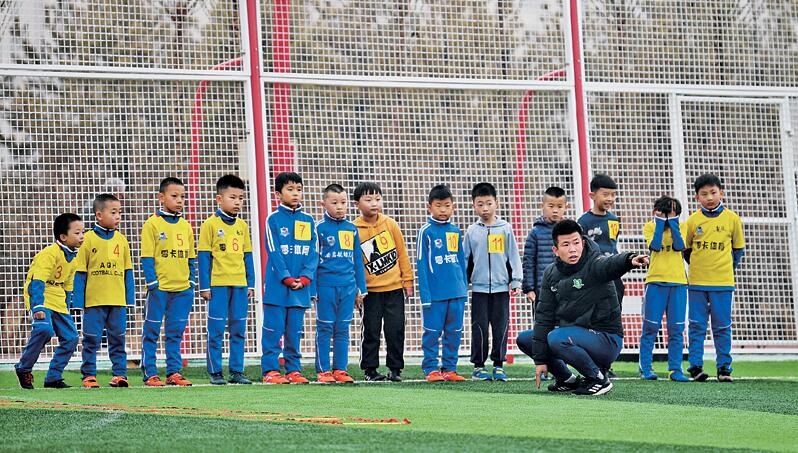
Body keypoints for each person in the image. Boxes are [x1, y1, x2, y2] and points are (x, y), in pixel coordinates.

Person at [515, 220, 648, 396]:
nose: (572, 249)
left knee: (557, 338)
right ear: (555, 250)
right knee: (526, 339)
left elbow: (610, 264)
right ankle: (566, 379)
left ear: (583, 243)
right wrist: (540, 360)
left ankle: (598, 379)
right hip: (575, 334)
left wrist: (629, 260)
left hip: (606, 339)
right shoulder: (550, 274)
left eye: (576, 242)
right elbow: (544, 317)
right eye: (566, 245)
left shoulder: (594, 263)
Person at [684, 173, 745, 383]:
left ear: (722, 193)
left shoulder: (732, 219)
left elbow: (738, 250)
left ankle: (724, 368)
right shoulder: (693, 221)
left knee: (722, 326)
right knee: (696, 326)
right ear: (697, 197)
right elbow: (687, 250)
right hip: (697, 284)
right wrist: (700, 267)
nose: (709, 197)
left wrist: (724, 269)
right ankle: (695, 367)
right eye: (704, 194)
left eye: (713, 192)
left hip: (723, 283)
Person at [14, 213, 84, 389]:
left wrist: (66, 306)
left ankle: (53, 377)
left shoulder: (74, 258)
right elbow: (37, 282)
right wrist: (37, 306)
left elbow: (68, 286)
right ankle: (23, 368)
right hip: (41, 297)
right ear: (63, 237)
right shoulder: (49, 254)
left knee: (71, 338)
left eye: (82, 232)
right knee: (44, 329)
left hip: (58, 300)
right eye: (77, 233)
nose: (82, 236)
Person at [261, 172, 318, 384]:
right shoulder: (273, 220)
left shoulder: (308, 220)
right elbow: (274, 251)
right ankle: (270, 370)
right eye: (290, 189)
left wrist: (305, 278)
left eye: (299, 190)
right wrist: (286, 277)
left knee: (294, 332)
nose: (295, 194)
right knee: (273, 331)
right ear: (278, 194)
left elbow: (313, 252)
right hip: (277, 287)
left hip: (300, 288)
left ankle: (293, 370)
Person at [353, 182, 413, 382]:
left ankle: (395, 369)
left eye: (378, 199)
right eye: (368, 200)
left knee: (395, 329)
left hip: (394, 288)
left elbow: (402, 253)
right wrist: (356, 289)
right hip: (369, 292)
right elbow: (353, 262)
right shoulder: (353, 229)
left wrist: (408, 280)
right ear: (357, 204)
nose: (374, 203)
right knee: (371, 330)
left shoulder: (391, 224)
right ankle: (370, 370)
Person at [198, 175, 255, 385]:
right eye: (233, 197)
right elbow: (204, 258)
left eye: (241, 198)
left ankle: (237, 371)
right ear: (219, 199)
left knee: (238, 329)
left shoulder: (242, 226)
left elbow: (247, 256)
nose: (238, 202)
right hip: (218, 286)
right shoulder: (209, 225)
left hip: (240, 285)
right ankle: (215, 372)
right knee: (216, 330)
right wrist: (204, 286)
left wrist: (251, 283)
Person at [73, 194, 134, 388]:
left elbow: (128, 272)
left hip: (117, 301)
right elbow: (80, 273)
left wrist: (129, 299)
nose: (118, 216)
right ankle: (89, 375)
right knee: (91, 339)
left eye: (119, 212)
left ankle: (120, 374)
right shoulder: (87, 240)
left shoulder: (122, 240)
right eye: (113, 212)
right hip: (94, 302)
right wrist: (77, 302)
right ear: (99, 215)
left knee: (118, 339)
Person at [140, 177, 196, 387]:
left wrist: (191, 282)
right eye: (174, 196)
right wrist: (153, 284)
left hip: (182, 290)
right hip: (160, 289)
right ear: (161, 197)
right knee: (151, 332)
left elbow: (191, 258)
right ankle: (150, 373)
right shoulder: (152, 224)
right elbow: (147, 258)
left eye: (182, 196)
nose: (180, 200)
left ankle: (174, 372)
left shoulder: (186, 226)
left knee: (175, 333)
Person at [463, 182, 522, 381]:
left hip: (501, 289)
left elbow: (513, 256)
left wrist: (516, 280)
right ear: (473, 205)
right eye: (480, 204)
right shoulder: (471, 231)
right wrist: (463, 282)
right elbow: (465, 259)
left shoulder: (505, 229)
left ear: (497, 202)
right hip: (479, 290)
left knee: (500, 327)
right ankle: (478, 366)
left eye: (489, 203)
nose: (485, 208)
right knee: (479, 327)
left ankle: (498, 365)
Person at [314, 184, 367, 383]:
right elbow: (313, 261)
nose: (339, 207)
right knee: (325, 327)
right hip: (325, 286)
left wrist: (361, 289)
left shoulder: (351, 229)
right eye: (334, 202)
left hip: (348, 287)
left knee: (343, 328)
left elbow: (357, 260)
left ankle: (340, 369)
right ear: (323, 204)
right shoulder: (318, 228)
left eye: (343, 202)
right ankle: (323, 370)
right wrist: (313, 290)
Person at [417, 184, 469, 382]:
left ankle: (450, 368)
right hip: (435, 294)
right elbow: (421, 264)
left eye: (447, 205)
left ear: (453, 206)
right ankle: (430, 368)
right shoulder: (426, 232)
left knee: (454, 332)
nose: (443, 210)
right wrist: (425, 296)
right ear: (429, 207)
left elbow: (460, 262)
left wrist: (463, 289)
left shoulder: (455, 231)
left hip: (456, 293)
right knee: (432, 333)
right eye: (438, 205)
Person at [639, 196, 689, 382]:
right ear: (656, 212)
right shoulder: (650, 226)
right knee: (650, 327)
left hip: (678, 283)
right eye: (664, 212)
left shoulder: (682, 226)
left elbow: (680, 246)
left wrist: (673, 222)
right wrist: (660, 222)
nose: (668, 216)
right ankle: (645, 368)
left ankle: (675, 369)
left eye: (672, 213)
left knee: (676, 329)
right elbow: (655, 246)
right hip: (656, 282)